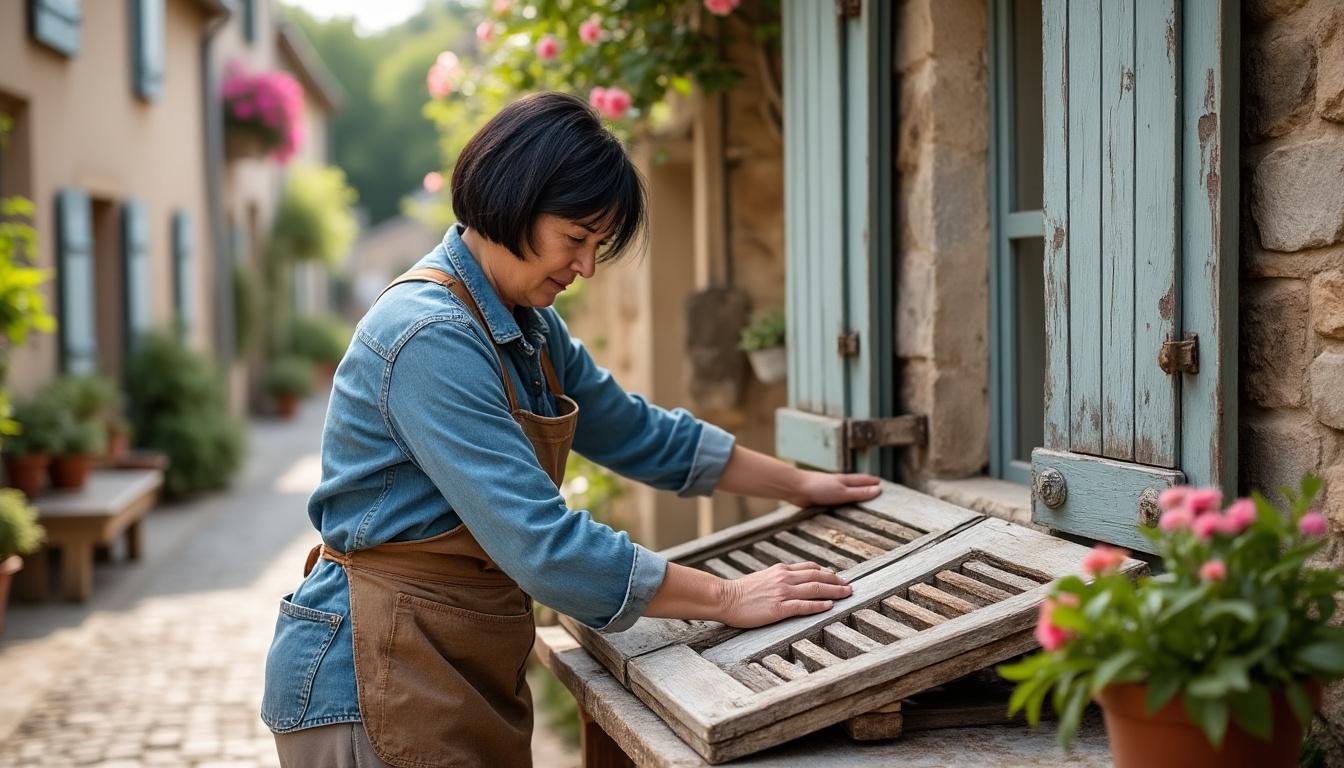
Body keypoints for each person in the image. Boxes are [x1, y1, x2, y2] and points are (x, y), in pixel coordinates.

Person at [262, 91, 882, 768]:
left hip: (445, 661)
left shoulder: (528, 327)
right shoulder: (428, 337)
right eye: (576, 239)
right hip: (369, 674)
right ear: (513, 201)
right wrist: (728, 596)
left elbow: (642, 433)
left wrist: (803, 483)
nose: (586, 267)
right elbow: (544, 547)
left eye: (598, 246)